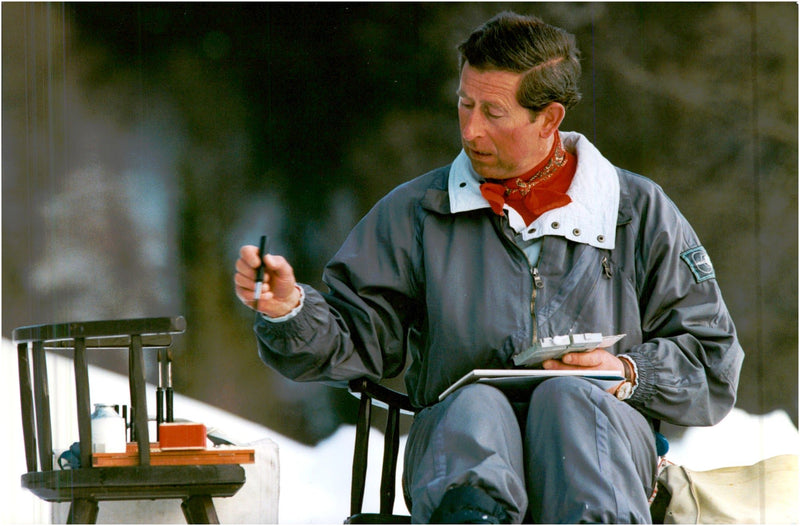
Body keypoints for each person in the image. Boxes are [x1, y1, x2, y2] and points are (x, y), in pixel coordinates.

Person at [234, 12, 743, 524]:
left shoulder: (638, 210)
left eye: (493, 112)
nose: (471, 129)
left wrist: (629, 372)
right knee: (478, 404)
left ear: (548, 119)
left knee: (569, 402)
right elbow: (359, 335)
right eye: (464, 104)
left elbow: (713, 360)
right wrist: (290, 311)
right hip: (458, 453)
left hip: (598, 450)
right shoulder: (416, 212)